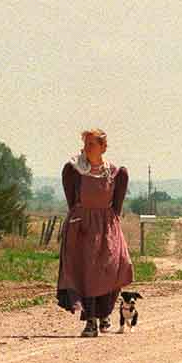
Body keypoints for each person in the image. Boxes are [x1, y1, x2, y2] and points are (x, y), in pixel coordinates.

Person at [56, 128, 134, 337]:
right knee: (87, 272)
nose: (86, 147)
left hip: (107, 226)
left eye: (92, 143)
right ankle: (90, 319)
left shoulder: (116, 173)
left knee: (114, 267)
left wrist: (107, 223)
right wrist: (82, 219)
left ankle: (104, 313)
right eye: (85, 143)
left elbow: (116, 205)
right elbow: (72, 201)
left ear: (103, 147)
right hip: (82, 227)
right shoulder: (74, 170)